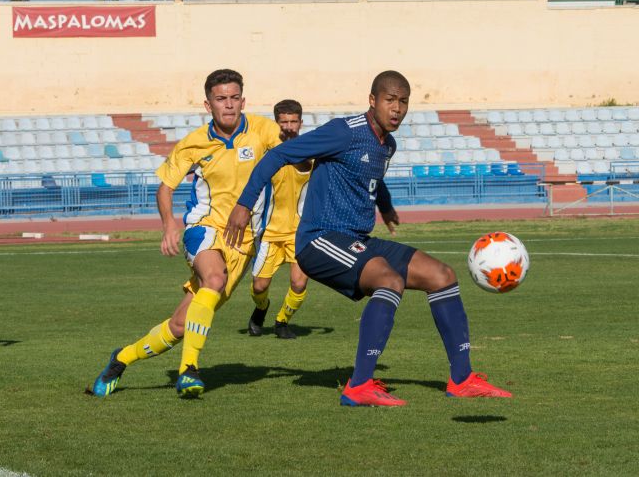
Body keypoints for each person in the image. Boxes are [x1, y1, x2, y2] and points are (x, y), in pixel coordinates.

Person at [224, 70, 511, 407]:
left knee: (442, 275)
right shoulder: (344, 132)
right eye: (390, 100)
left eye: (403, 102)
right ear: (373, 100)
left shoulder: (386, 144)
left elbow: (373, 178)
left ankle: (462, 379)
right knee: (388, 280)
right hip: (319, 239)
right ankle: (359, 386)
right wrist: (244, 205)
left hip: (357, 238)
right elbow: (278, 155)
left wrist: (386, 208)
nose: (397, 108)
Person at [91, 69, 281, 398]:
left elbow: (294, 156)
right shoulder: (193, 143)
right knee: (215, 279)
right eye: (221, 99)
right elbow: (165, 188)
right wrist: (169, 225)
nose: (229, 105)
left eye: (235, 98)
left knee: (181, 325)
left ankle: (120, 359)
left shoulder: (264, 130)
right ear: (208, 105)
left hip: (244, 243)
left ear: (243, 101)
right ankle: (189, 370)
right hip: (204, 230)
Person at [247, 99, 311, 339]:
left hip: (300, 232)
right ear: (277, 123)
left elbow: (306, 168)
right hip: (270, 232)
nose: (289, 126)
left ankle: (282, 321)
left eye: (293, 121)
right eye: (284, 122)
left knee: (299, 283)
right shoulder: (268, 153)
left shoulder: (311, 151)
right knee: (259, 287)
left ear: (300, 122)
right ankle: (261, 308)